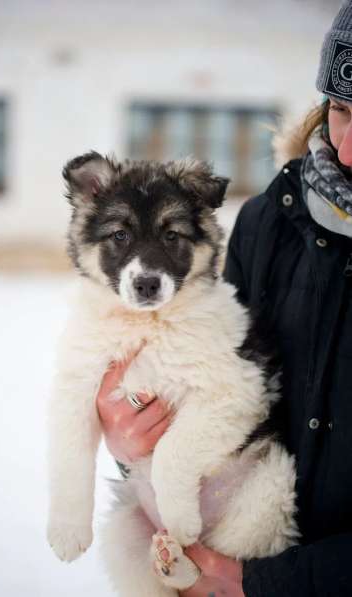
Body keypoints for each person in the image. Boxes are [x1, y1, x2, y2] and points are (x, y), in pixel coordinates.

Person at [96, 3, 352, 595]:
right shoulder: (268, 223)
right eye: (339, 109)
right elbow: (209, 384)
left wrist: (264, 582)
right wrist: (131, 434)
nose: (345, 148)